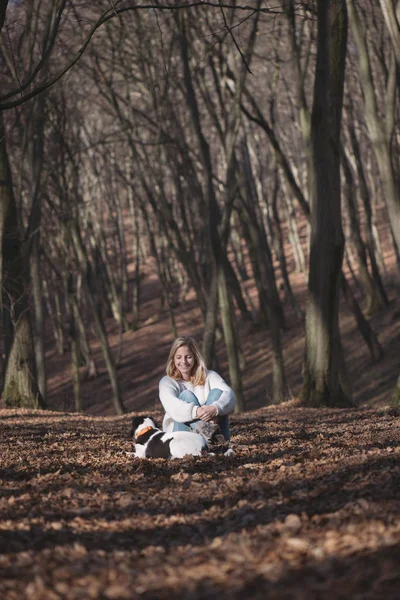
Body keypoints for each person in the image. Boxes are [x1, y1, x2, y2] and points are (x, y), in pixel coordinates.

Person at [159, 336, 236, 442]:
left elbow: (230, 396)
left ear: (195, 357)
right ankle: (208, 432)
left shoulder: (210, 376)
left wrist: (215, 409)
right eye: (179, 357)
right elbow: (171, 405)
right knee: (186, 395)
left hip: (217, 435)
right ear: (173, 359)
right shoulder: (167, 382)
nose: (184, 361)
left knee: (218, 393)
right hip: (182, 438)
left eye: (188, 357)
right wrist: (197, 411)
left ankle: (210, 435)